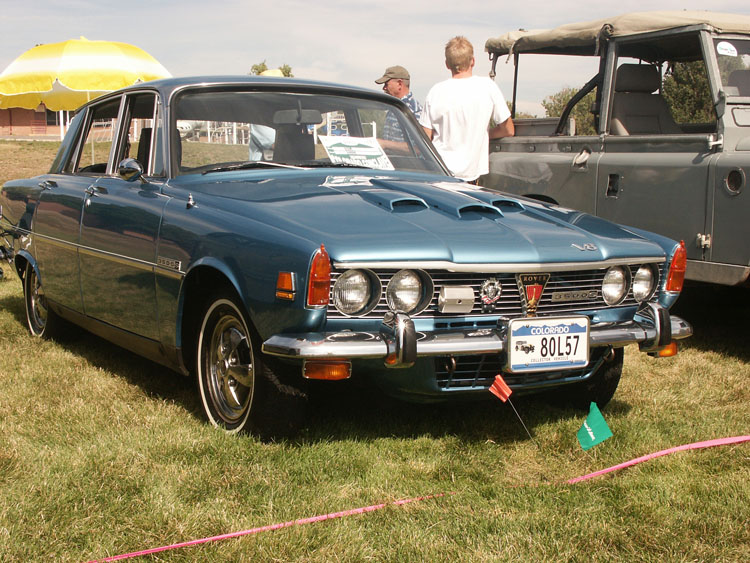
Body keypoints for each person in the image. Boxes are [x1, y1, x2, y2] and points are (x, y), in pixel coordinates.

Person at [420, 36, 514, 183]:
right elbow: (508, 130)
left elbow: (425, 139)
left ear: (447, 64)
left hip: (439, 173)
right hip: (470, 176)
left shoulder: (435, 91)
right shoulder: (487, 87)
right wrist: (481, 134)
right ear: (473, 61)